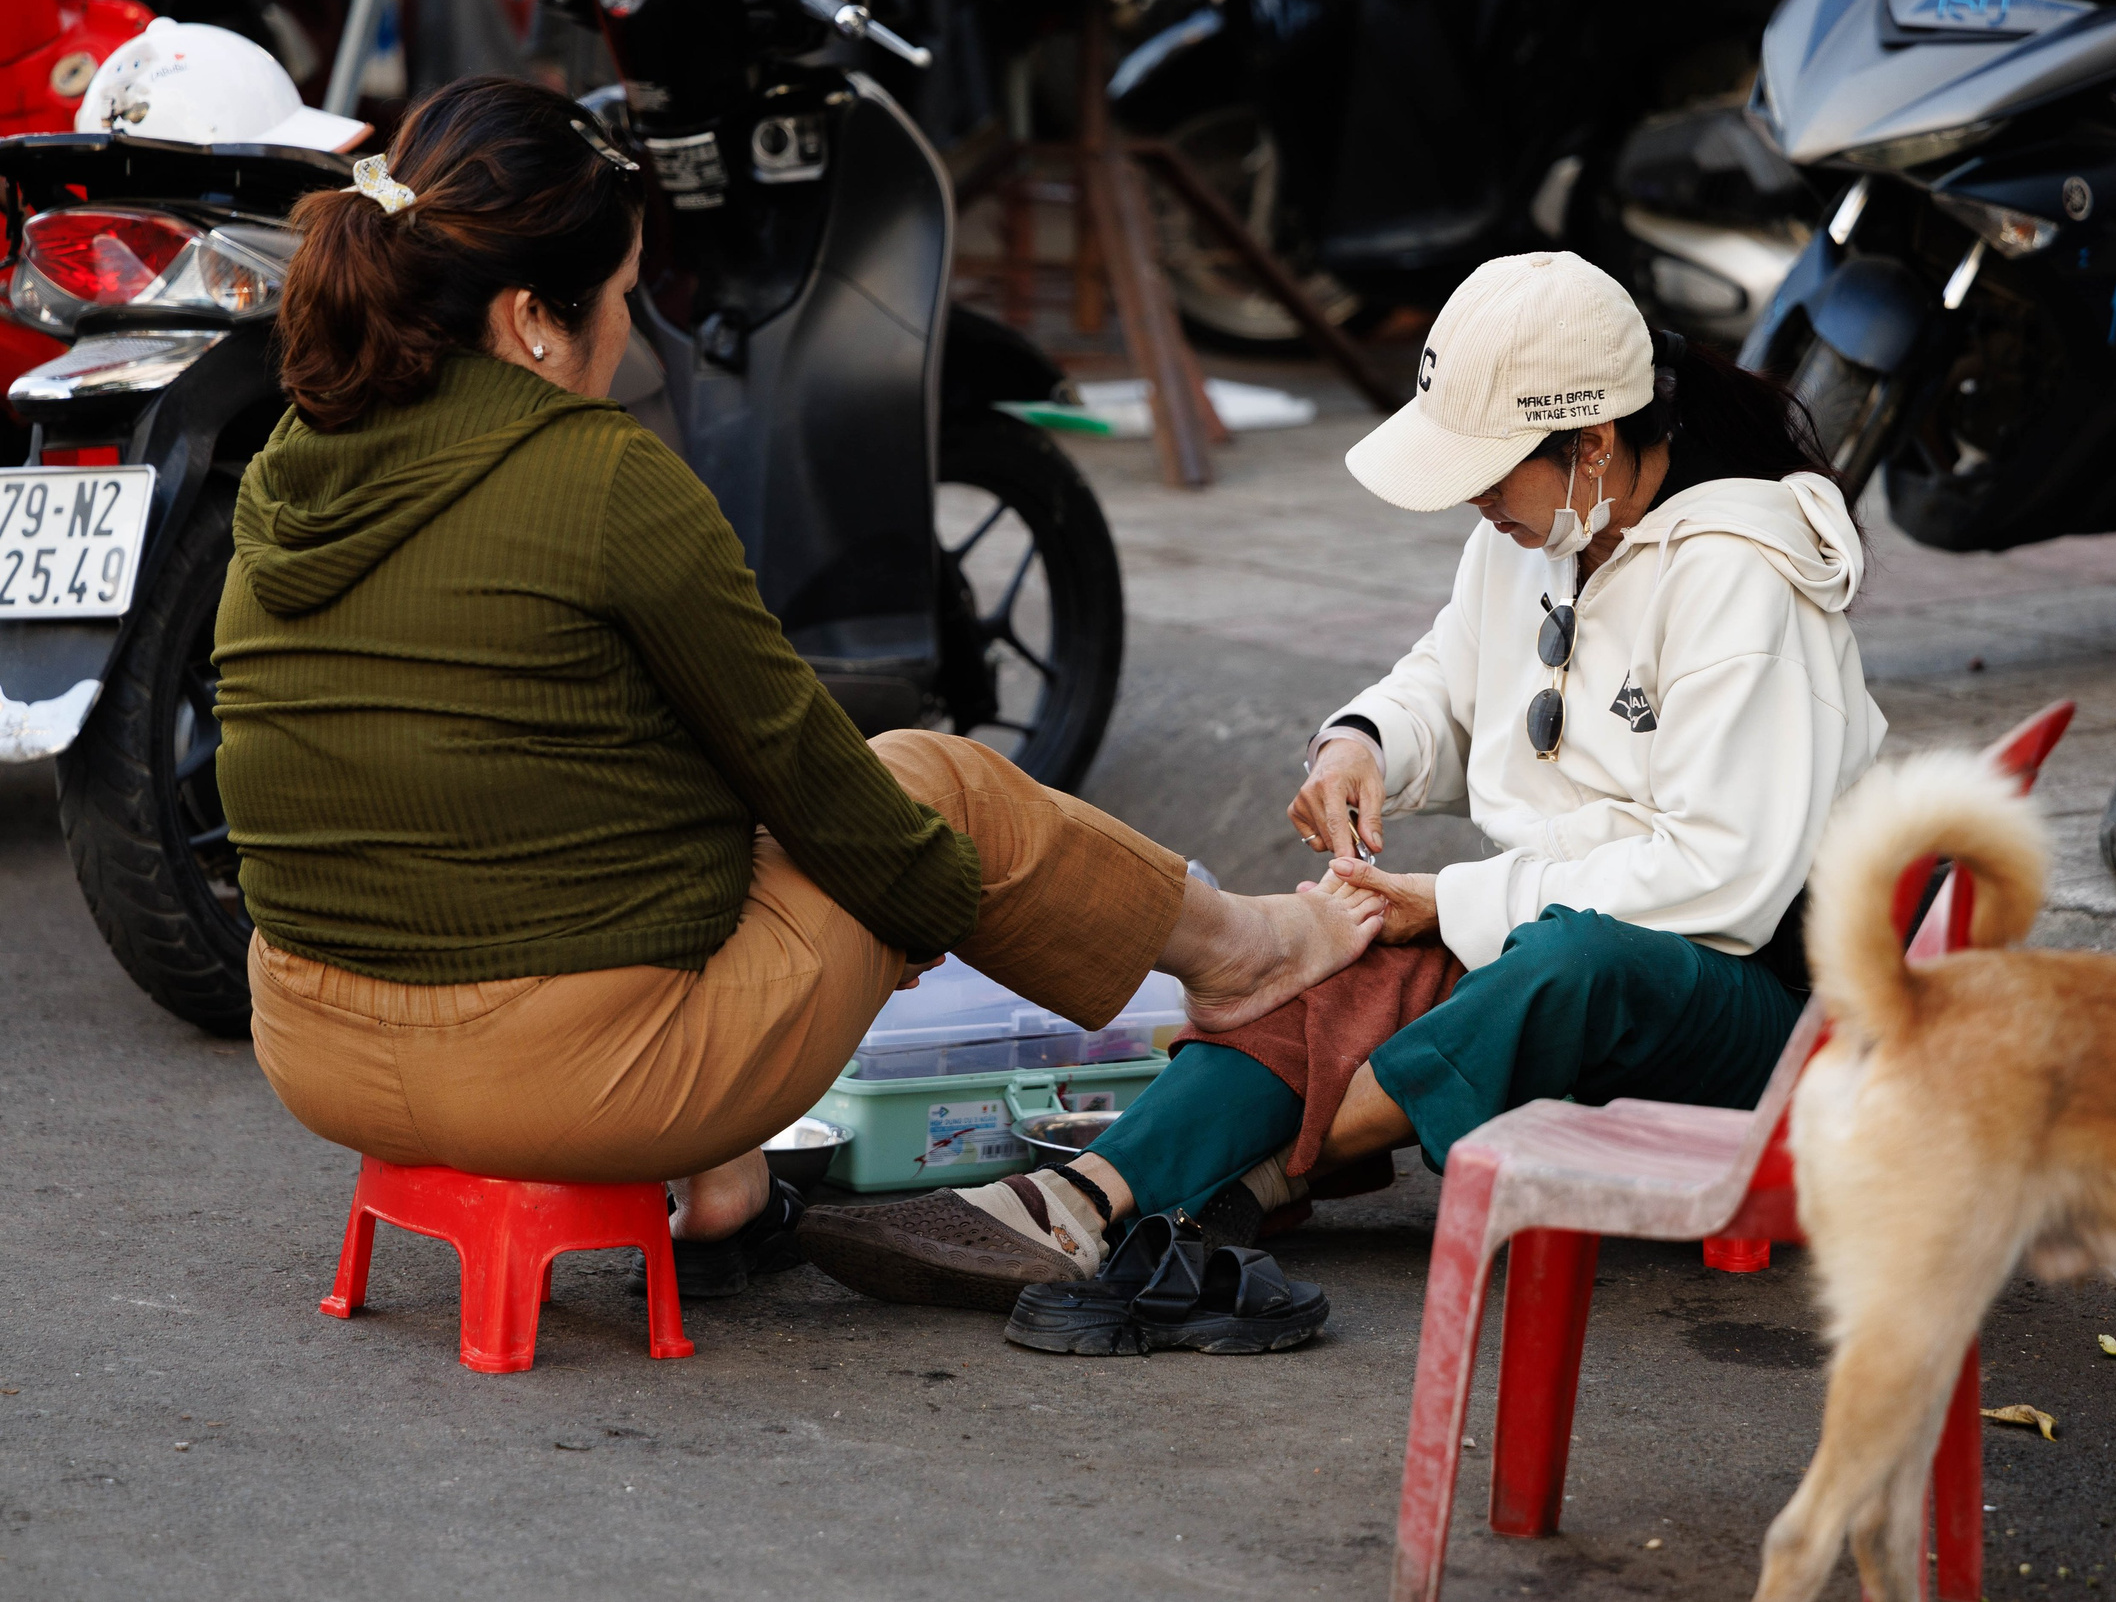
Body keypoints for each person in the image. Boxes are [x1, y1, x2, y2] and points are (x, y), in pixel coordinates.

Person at [219, 76, 1387, 1297]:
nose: (634, 336)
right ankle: (1245, 952)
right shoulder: (603, 477)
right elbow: (829, 794)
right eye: (622, 300)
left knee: (662, 803)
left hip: (316, 1052)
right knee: (935, 785)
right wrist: (928, 907)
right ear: (530, 320)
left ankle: (724, 1188)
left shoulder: (294, 462)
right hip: (555, 1080)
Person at [818, 250, 1890, 1318]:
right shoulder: (1540, 528)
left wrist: (1452, 901)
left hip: (1761, 1017)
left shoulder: (1743, 578)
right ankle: (1083, 1198)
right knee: (1331, 957)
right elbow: (1447, 680)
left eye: (1491, 473)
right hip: (1563, 932)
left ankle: (1257, 1166)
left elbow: (1723, 880)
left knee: (1566, 961)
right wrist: (1363, 742)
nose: (1476, 503)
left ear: (1594, 443)